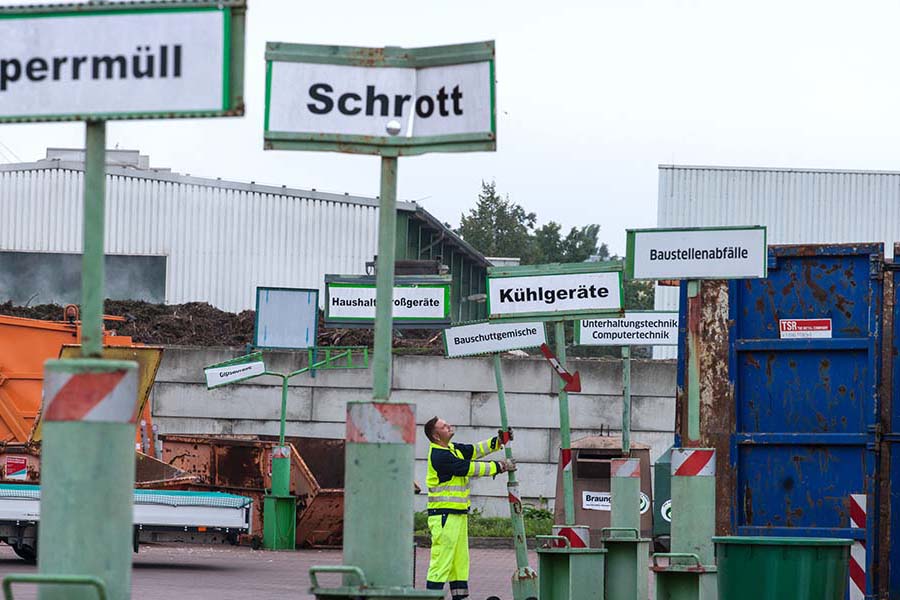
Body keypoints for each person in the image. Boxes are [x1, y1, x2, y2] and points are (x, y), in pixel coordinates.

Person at [423, 416, 516, 599]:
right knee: (441, 563)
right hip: (444, 517)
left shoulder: (452, 449)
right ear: (436, 436)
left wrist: (497, 442)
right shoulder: (439, 455)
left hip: (456, 516)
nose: (449, 425)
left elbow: (474, 450)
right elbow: (467, 468)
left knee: (459, 563)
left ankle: (460, 597)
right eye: (444, 426)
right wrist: (500, 466)